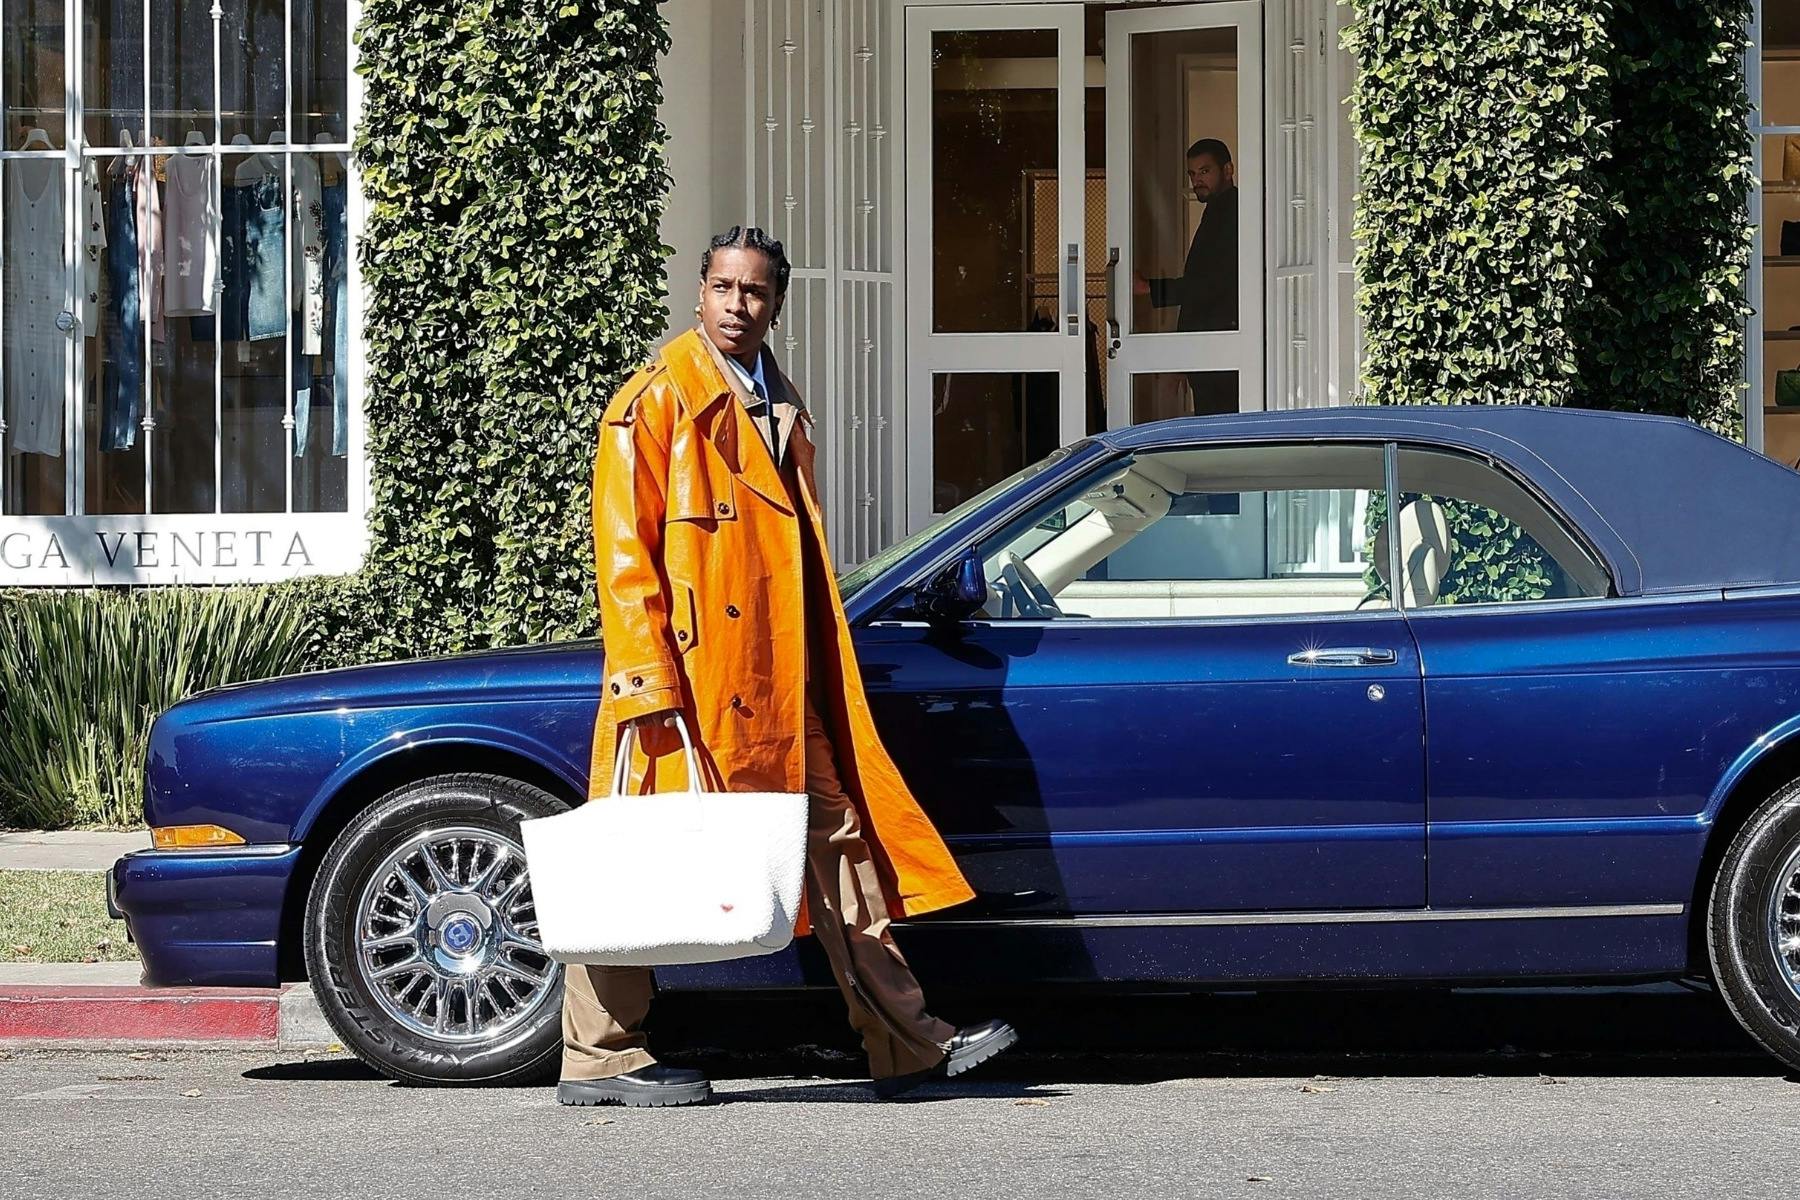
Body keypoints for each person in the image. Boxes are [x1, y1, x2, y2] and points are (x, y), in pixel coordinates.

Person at [558, 226, 1018, 1108]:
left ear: (777, 303)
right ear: (699, 292)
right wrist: (648, 685)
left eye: (756, 292)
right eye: (725, 288)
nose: (738, 306)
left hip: (774, 678)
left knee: (839, 842)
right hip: (687, 682)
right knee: (638, 855)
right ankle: (602, 1056)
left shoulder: (775, 399)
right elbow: (624, 558)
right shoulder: (656, 400)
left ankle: (908, 1040)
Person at [1134, 138, 1240, 413]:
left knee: (1220, 430)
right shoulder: (1217, 211)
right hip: (1210, 348)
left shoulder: (1232, 213)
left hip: (1221, 349)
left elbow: (1215, 283)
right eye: (1192, 174)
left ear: (1228, 169)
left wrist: (1150, 289)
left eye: (1205, 171)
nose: (1197, 181)